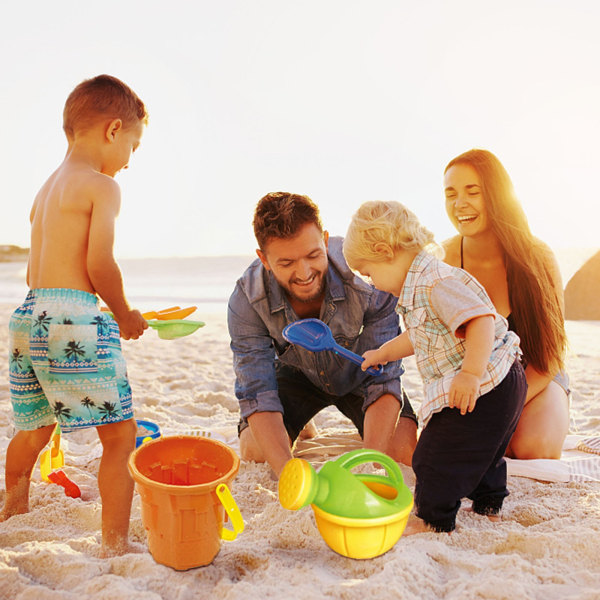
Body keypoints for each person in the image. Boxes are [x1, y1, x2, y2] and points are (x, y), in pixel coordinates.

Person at [1, 75, 149, 556]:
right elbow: (98, 263)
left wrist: (88, 303)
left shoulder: (46, 191)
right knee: (120, 432)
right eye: (133, 143)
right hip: (71, 320)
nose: (130, 158)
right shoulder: (102, 187)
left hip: (29, 317)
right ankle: (113, 542)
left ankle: (14, 504)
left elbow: (53, 274)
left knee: (36, 426)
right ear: (113, 130)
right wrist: (124, 314)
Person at [343, 200, 526, 534]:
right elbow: (420, 334)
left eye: (369, 274)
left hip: (485, 383)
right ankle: (488, 506)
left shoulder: (434, 282)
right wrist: (383, 352)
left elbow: (481, 321)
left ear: (385, 251)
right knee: (485, 449)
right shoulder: (419, 289)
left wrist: (470, 374)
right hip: (500, 382)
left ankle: (432, 518)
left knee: (432, 456)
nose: (373, 284)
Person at [227, 192, 418, 477]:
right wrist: (288, 474)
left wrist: (370, 465)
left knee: (402, 452)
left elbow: (385, 378)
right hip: (297, 376)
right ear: (264, 259)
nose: (304, 273)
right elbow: (257, 392)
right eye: (287, 263)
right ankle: (301, 421)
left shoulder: (367, 275)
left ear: (325, 241)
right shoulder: (247, 299)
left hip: (360, 371)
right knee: (256, 451)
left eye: (313, 255)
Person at [442, 149, 569, 459]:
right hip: (475, 387)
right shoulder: (443, 260)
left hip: (535, 377)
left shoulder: (538, 257)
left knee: (530, 446)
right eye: (451, 194)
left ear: (497, 195)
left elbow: (551, 354)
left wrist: (506, 404)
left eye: (473, 191)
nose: (460, 203)